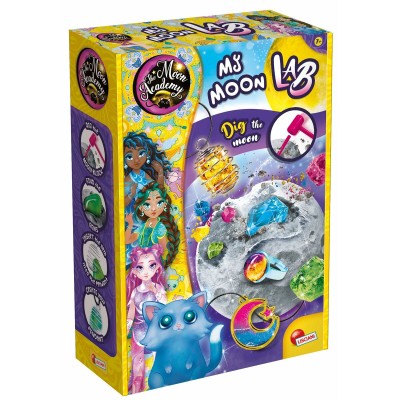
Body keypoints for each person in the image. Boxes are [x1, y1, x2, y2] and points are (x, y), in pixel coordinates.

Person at [126, 245, 167, 393]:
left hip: (155, 332)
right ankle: (137, 388)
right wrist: (128, 325)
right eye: (140, 267)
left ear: (157, 268)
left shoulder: (158, 287)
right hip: (138, 332)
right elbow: (131, 312)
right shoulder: (135, 291)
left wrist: (155, 291)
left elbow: (164, 306)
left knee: (159, 361)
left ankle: (160, 383)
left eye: (151, 265)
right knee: (137, 365)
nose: (146, 271)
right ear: (135, 271)